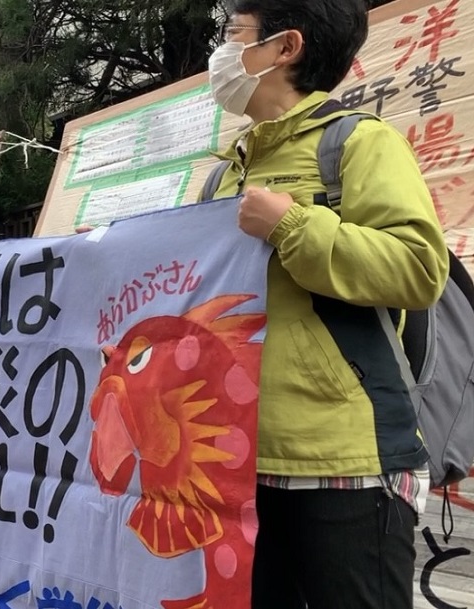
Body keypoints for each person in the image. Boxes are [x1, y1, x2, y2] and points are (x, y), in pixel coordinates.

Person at [203, 1, 448, 606]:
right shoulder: (220, 176)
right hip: (231, 460)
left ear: (286, 48)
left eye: (233, 35)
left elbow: (420, 269)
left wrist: (292, 226)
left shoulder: (360, 143)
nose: (220, 54)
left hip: (344, 460)